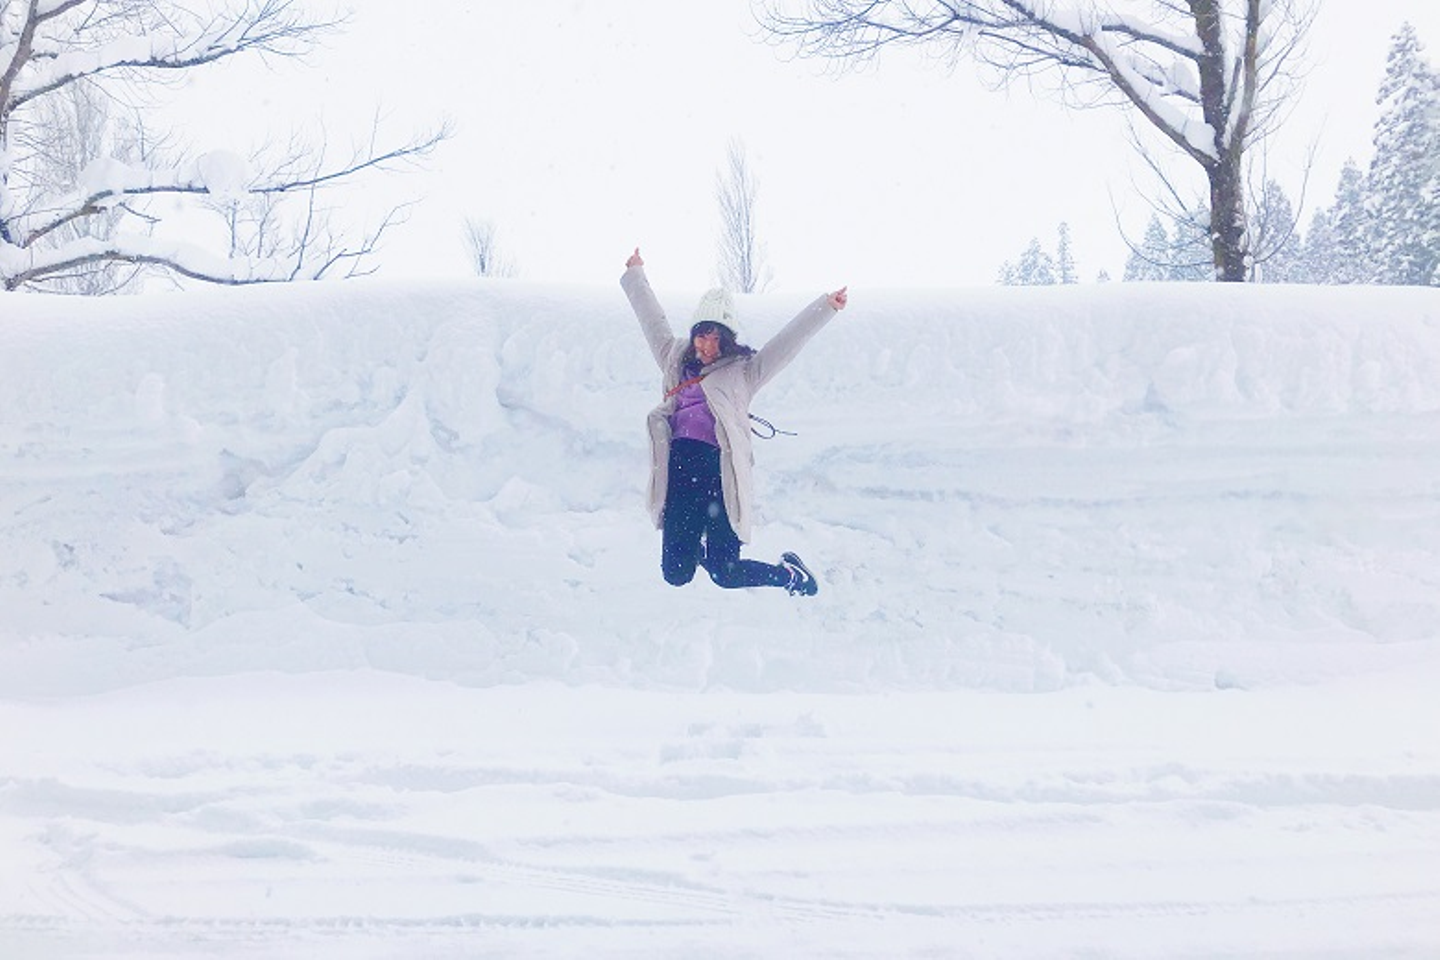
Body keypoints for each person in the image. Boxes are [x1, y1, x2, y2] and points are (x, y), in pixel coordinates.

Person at [620, 247, 848, 596]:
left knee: (725, 573)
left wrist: (826, 307)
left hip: (720, 476)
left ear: (728, 341)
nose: (708, 345)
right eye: (703, 335)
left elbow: (786, 344)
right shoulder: (674, 357)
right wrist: (636, 273)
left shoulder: (744, 371)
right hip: (680, 473)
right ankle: (696, 545)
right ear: (694, 333)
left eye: (717, 338)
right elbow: (652, 321)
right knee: (676, 574)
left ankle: (790, 575)